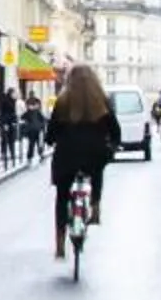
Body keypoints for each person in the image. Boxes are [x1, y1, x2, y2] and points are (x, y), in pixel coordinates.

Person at [47, 64, 117, 261]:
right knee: (97, 168)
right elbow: (115, 130)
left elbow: (51, 132)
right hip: (94, 154)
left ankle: (60, 245)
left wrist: (52, 140)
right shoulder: (102, 101)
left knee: (62, 197)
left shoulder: (62, 102)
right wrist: (112, 146)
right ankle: (95, 207)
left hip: (66, 156)